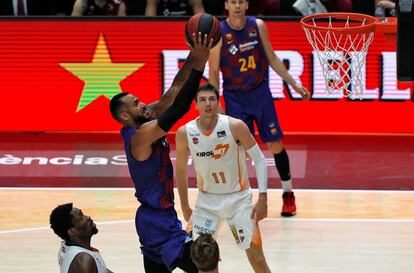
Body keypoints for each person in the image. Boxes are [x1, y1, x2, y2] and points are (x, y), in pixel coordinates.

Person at [109, 33, 212, 273]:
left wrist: (196, 56)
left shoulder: (146, 119)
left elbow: (174, 91)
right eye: (135, 104)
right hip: (157, 222)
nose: (142, 103)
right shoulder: (139, 137)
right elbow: (180, 108)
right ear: (125, 116)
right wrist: (198, 69)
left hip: (159, 217)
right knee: (206, 263)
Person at [208, 0, 311, 217]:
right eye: (232, 1)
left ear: (246, 5)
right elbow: (214, 71)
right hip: (235, 98)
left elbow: (272, 58)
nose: (237, 6)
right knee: (240, 151)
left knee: (275, 143)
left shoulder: (258, 26)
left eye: (241, 1)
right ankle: (241, 201)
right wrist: (214, 102)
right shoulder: (219, 33)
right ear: (226, 5)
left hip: (260, 94)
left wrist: (294, 83)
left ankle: (288, 193)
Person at [176, 83, 272, 273]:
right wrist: (185, 205)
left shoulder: (235, 126)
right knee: (203, 261)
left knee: (257, 258)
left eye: (212, 99)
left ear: (218, 102)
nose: (208, 104)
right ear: (195, 104)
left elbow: (260, 159)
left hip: (239, 200)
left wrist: (263, 198)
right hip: (206, 202)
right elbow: (180, 171)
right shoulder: (184, 133)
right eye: (202, 100)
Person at [49, 203, 113, 273]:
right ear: (72, 231)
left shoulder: (66, 247)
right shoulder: (84, 260)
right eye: (81, 217)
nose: (88, 217)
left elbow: (101, 268)